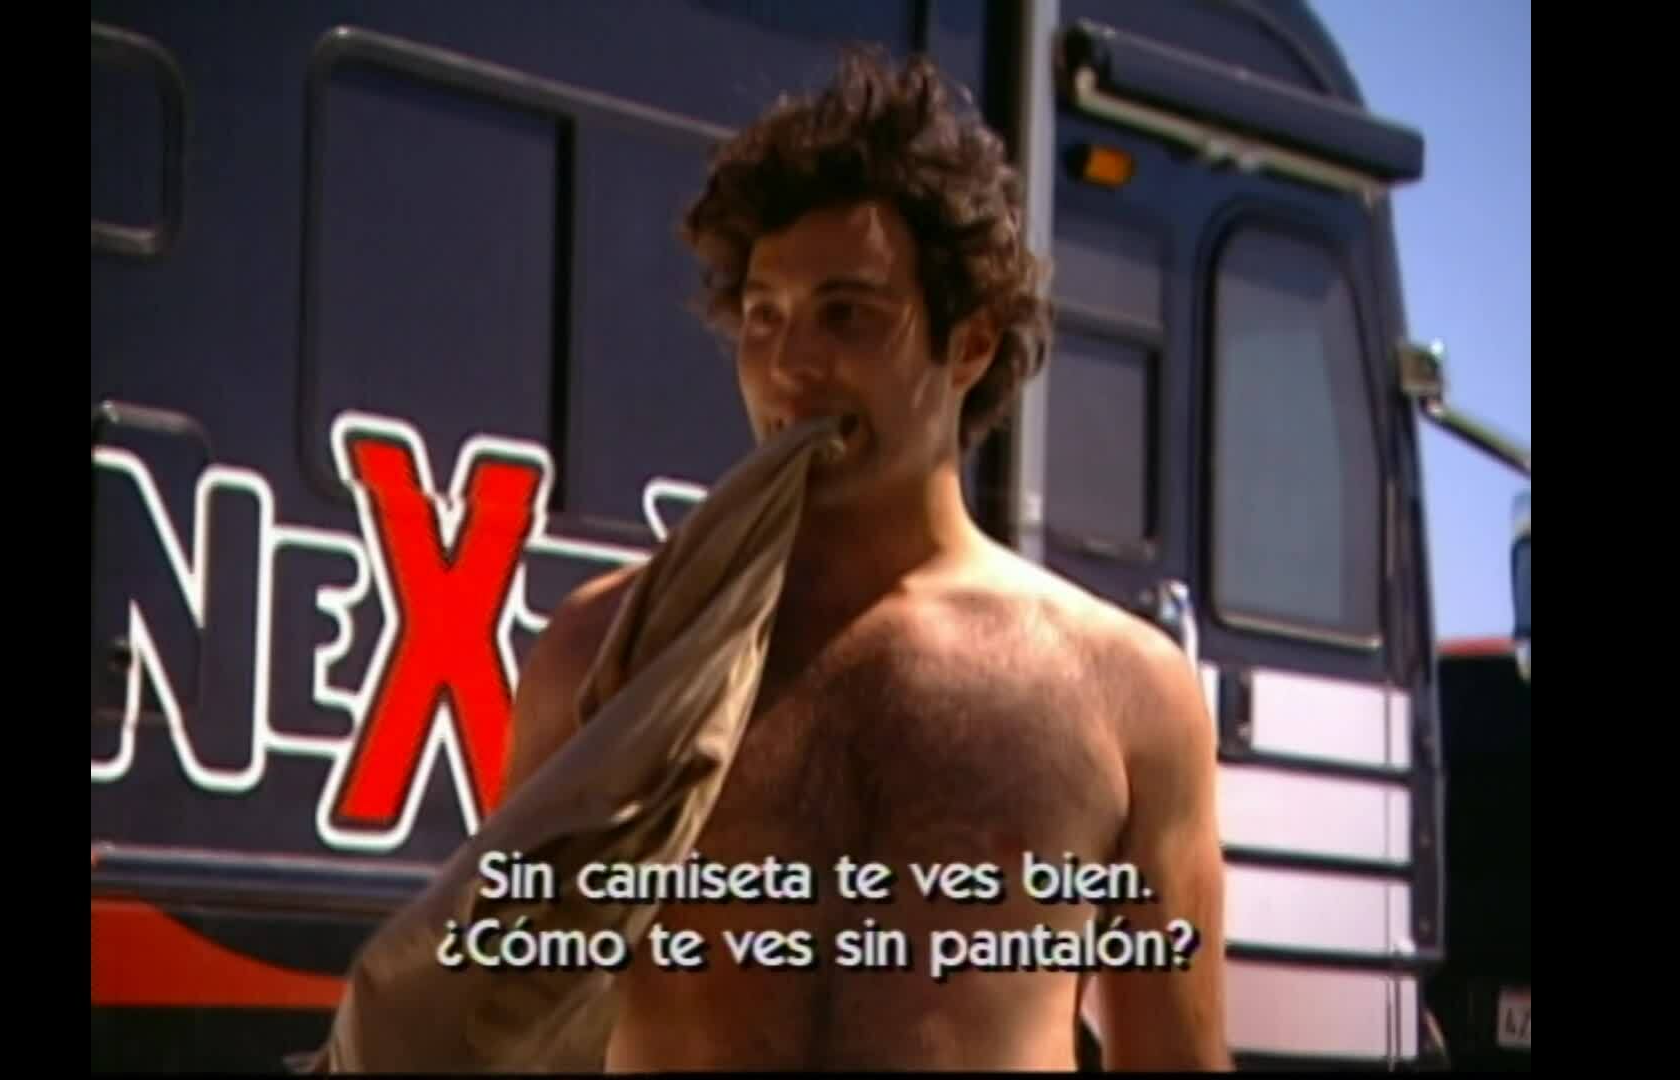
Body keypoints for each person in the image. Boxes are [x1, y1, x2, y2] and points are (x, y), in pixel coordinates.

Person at [504, 47, 1230, 1071]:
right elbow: (502, 1029)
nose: (790, 364)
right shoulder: (604, 655)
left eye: (847, 314)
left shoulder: (1124, 692)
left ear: (969, 343)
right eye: (764, 317)